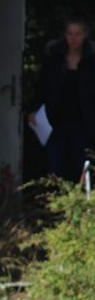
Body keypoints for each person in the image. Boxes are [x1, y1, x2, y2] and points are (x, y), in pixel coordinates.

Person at [30, 14, 95, 182]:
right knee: (55, 164)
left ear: (85, 34)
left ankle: (77, 201)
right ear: (64, 35)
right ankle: (55, 199)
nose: (73, 39)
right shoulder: (54, 60)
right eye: (70, 34)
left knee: (81, 163)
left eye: (78, 34)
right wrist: (34, 109)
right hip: (55, 120)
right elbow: (42, 87)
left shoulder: (91, 61)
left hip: (83, 121)